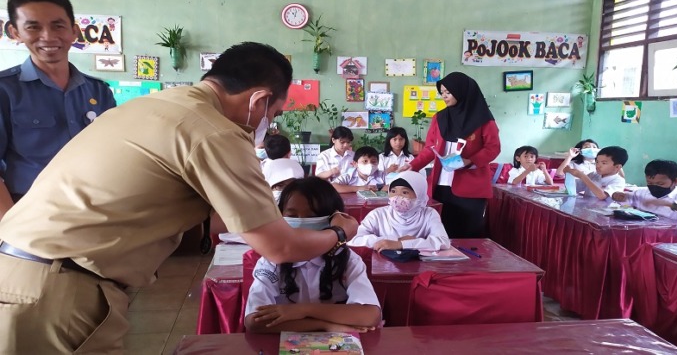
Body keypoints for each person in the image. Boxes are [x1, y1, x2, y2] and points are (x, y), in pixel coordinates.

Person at [0, 41, 359, 354]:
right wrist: (340, 233)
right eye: (275, 114)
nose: (268, 125)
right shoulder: (216, 132)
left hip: (19, 268)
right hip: (58, 290)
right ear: (259, 100)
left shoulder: (150, 106)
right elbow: (279, 249)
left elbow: (220, 219)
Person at [0, 0, 116, 217]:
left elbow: (114, 153)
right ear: (15, 32)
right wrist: (8, 228)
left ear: (74, 31)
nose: (48, 36)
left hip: (92, 208)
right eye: (33, 27)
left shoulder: (98, 91)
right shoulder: (5, 91)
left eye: (58, 26)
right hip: (28, 210)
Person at [245, 177, 381, 333]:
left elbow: (370, 315)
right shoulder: (271, 261)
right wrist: (324, 325)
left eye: (312, 216)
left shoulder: (347, 258)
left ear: (334, 219)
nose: (302, 222)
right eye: (293, 216)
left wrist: (303, 310)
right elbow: (255, 321)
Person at [400, 72, 500, 238]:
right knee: (440, 233)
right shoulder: (440, 117)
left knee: (467, 234)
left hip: (470, 187)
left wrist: (469, 160)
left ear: (462, 92)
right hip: (440, 185)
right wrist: (413, 165)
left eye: (448, 92)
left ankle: (466, 264)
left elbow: (493, 148)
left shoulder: (484, 120)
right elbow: (430, 148)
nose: (444, 96)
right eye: (442, 93)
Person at [349, 171, 450, 252]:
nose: (397, 197)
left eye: (405, 192)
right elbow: (354, 240)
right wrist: (394, 240)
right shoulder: (378, 215)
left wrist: (401, 244)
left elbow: (443, 241)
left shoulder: (429, 214)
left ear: (420, 196)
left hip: (416, 265)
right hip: (383, 263)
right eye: (393, 191)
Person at [612, 160, 677, 223]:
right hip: (644, 236)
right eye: (650, 183)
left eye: (660, 183)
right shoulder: (641, 193)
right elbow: (624, 202)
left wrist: (670, 204)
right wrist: (617, 196)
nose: (654, 187)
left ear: (676, 181)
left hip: (673, 240)